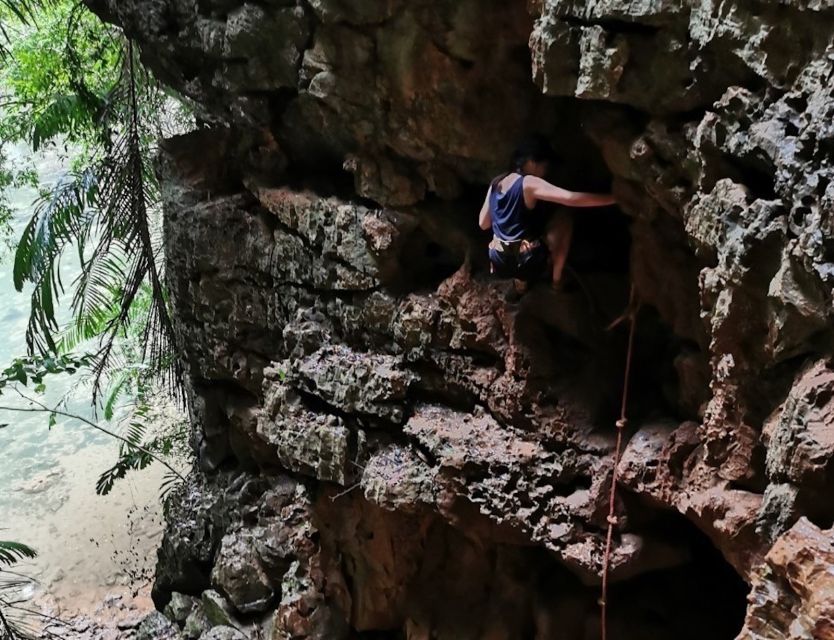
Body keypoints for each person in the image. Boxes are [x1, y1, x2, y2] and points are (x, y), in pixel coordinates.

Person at [478, 135, 615, 300]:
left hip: (499, 264)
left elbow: (483, 224)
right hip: (527, 261)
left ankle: (520, 283)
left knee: (517, 237)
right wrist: (613, 199)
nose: (546, 171)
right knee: (565, 218)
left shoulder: (496, 182)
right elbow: (571, 198)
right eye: (545, 165)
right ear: (531, 162)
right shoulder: (528, 183)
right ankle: (557, 281)